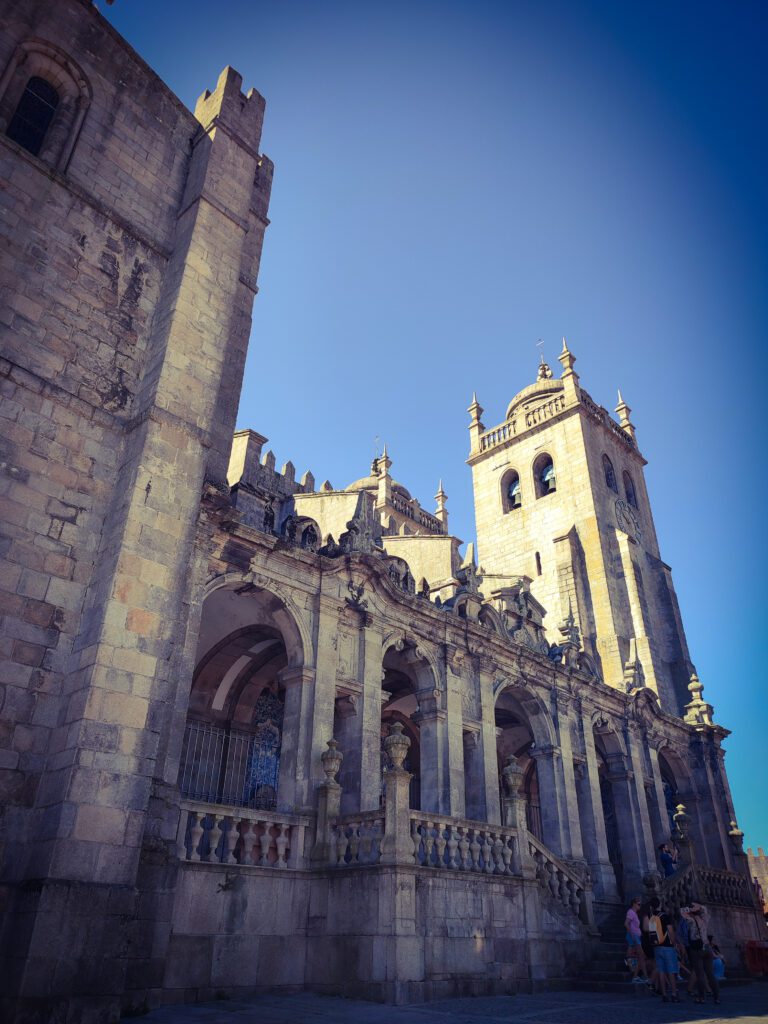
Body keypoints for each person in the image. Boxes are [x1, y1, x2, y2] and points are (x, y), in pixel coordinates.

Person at [680, 903, 720, 1005]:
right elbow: (705, 909)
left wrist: (689, 908)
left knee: (700, 974)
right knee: (710, 974)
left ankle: (701, 997)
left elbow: (682, 912)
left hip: (696, 949)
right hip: (707, 947)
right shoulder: (704, 919)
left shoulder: (691, 921)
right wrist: (699, 906)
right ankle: (716, 997)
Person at [649, 897, 680, 1002]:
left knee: (661, 971)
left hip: (657, 946)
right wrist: (675, 944)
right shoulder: (665, 916)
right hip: (667, 946)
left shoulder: (652, 917)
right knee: (671, 971)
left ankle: (664, 994)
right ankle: (674, 993)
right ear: (660, 905)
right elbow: (670, 931)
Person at [624, 896, 648, 983]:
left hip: (636, 936)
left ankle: (641, 976)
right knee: (642, 957)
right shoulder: (631, 912)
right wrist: (633, 935)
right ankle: (641, 976)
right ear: (634, 904)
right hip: (634, 937)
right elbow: (626, 924)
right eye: (638, 904)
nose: (640, 906)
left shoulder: (634, 913)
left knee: (641, 957)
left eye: (640, 904)